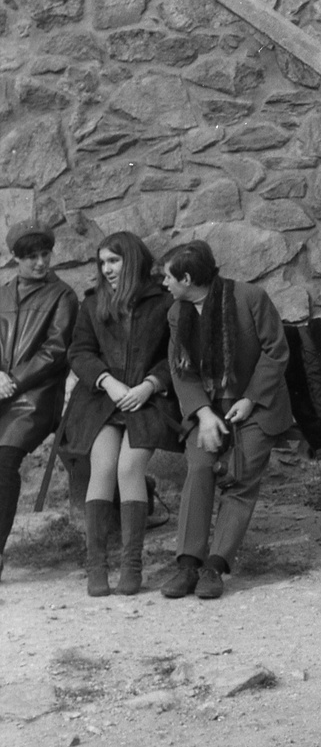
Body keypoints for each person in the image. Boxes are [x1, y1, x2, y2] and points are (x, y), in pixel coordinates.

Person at [159, 240, 292, 601]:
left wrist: (249, 399)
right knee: (200, 467)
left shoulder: (250, 298)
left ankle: (214, 567)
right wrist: (202, 413)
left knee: (241, 479)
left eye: (168, 278)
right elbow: (179, 369)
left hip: (256, 405)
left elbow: (275, 351)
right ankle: (188, 564)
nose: (164, 285)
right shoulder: (177, 313)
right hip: (208, 411)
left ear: (187, 278)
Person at [58, 232, 181, 596]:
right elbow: (79, 352)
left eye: (114, 261)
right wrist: (107, 381)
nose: (107, 269)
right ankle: (96, 566)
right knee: (104, 468)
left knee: (130, 469)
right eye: (103, 263)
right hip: (101, 398)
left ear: (133, 261)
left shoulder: (163, 302)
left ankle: (132, 564)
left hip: (149, 400)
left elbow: (173, 354)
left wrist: (151, 384)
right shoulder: (93, 303)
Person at [0, 222, 78, 583]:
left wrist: (15, 380)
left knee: (4, 461)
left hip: (36, 396)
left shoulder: (63, 296)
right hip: (1, 388)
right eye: (31, 257)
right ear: (14, 258)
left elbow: (56, 350)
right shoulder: (2, 294)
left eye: (45, 254)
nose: (40, 262)